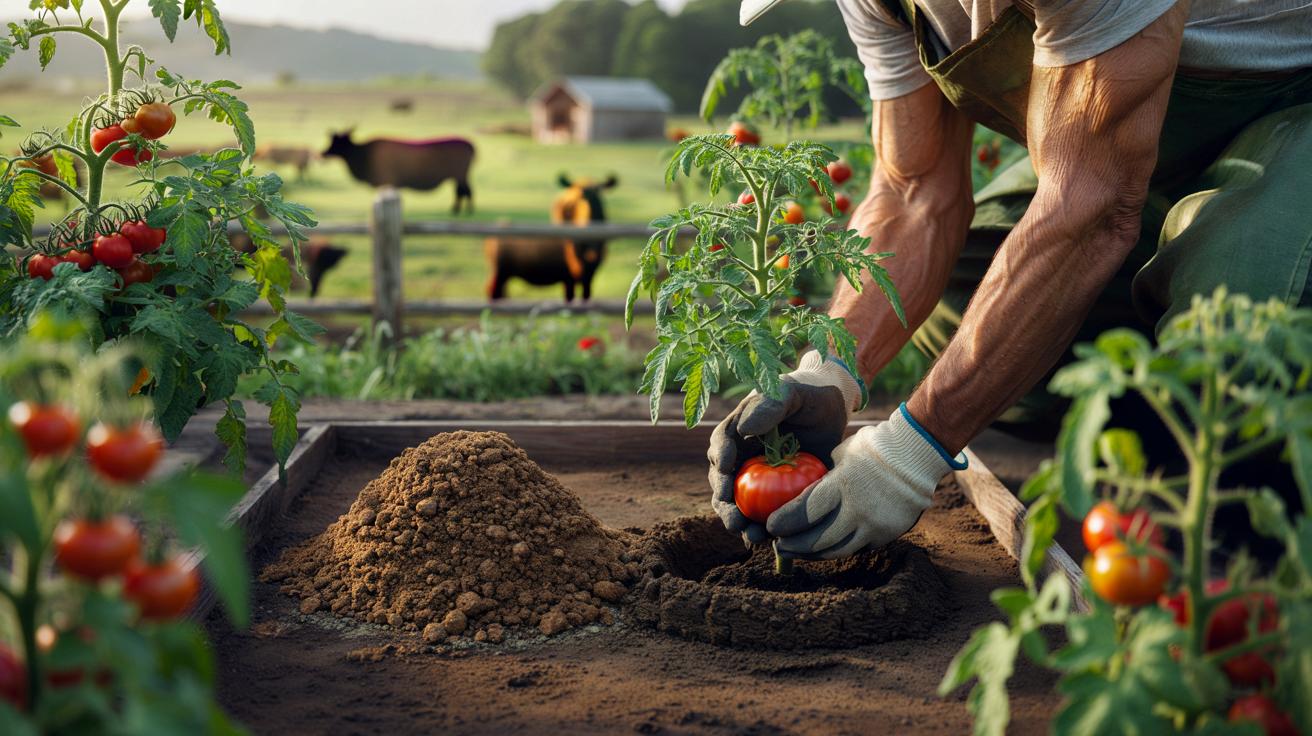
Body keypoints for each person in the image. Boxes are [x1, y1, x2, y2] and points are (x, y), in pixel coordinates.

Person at [709, 0, 1312, 561]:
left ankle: (1250, 487)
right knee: (962, 304)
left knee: (1244, 312)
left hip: (1291, 112)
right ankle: (1175, 407)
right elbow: (912, 190)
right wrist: (832, 370)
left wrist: (910, 450)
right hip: (1122, 155)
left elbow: (1094, 207)